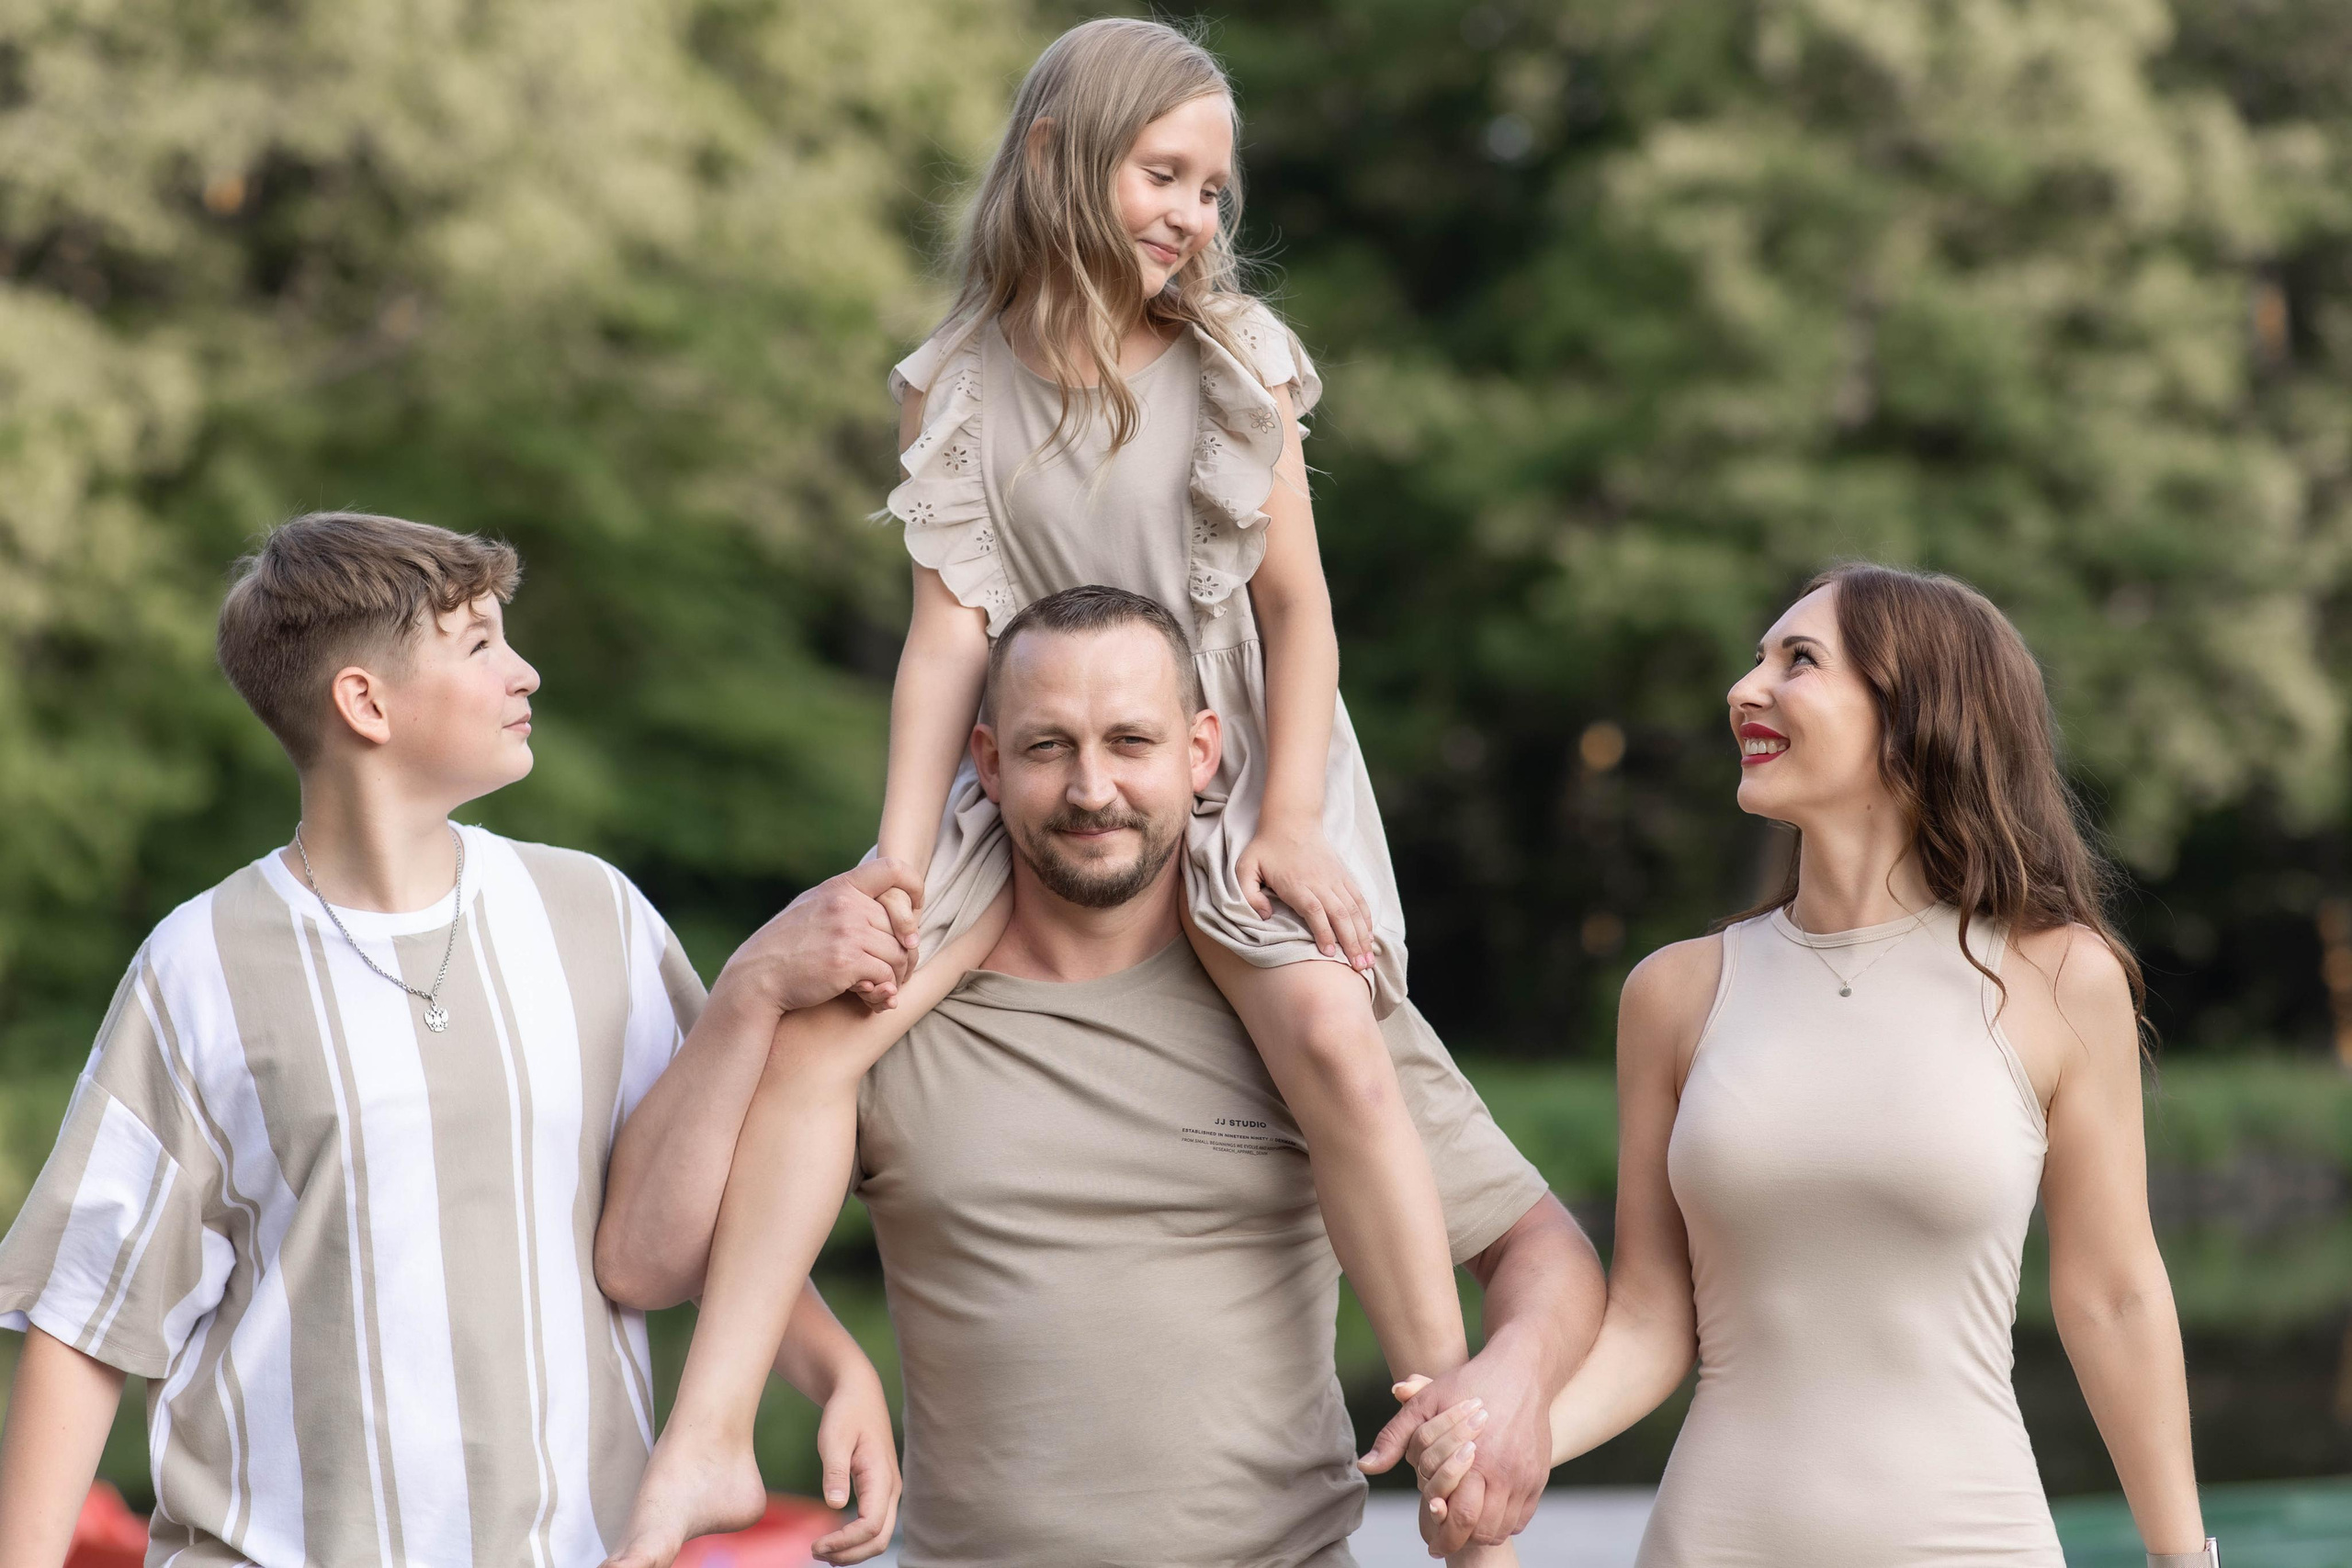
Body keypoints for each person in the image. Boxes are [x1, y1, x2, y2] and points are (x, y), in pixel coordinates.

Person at [602, 17, 1504, 1562]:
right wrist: (895, 862)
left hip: (1222, 772)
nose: (1195, 215)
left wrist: (1286, 821)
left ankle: (1446, 1424)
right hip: (1033, 775)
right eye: (1164, 172)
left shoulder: (1237, 370)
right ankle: (704, 1444)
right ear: (1055, 159)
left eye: (1215, 189)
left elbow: (1298, 616)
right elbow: (945, 635)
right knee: (829, 1032)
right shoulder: (956, 385)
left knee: (1333, 1036)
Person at [595, 587, 1607, 1568]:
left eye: (1130, 743)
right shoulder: (881, 1010)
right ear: (985, 762)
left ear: (1199, 752)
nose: (1091, 790)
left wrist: (1509, 1379)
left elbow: (1540, 1248)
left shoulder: (1302, 1004)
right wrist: (748, 990)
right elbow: (646, 1261)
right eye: (1048, 747)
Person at [0, 513, 911, 1568]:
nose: (524, 674)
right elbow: (88, 1314)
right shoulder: (195, 966)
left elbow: (702, 1213)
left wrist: (836, 1367)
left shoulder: (597, 917)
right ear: (364, 702)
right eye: (479, 644)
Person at [1397, 564, 2216, 1567]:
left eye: (1798, 661)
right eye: (1755, 660)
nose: (1745, 691)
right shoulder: (1674, 994)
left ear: (1914, 710)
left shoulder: (2058, 978)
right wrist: (1507, 1450)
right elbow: (1655, 1321)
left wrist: (2184, 1559)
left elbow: (2115, 1296)